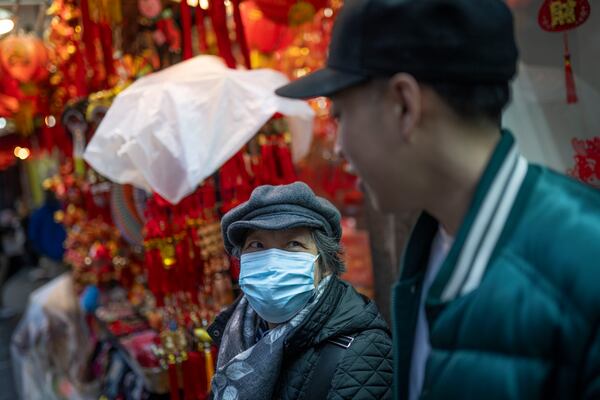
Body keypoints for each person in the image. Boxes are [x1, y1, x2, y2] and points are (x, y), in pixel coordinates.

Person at [275, 0, 600, 399]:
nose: (339, 147)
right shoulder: (433, 244)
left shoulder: (585, 261)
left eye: (341, 115)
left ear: (404, 105)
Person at [209, 182, 392, 399]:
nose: (272, 262)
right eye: (257, 245)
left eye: (294, 244)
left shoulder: (361, 353)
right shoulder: (236, 333)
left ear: (323, 265)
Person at [28, 190, 67, 279]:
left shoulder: (61, 209)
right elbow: (33, 236)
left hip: (60, 255)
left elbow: (33, 236)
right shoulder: (42, 213)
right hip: (54, 256)